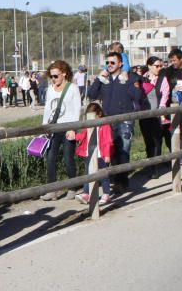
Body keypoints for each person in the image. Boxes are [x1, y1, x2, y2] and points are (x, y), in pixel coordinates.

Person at [87, 52, 142, 194]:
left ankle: (122, 182)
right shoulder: (105, 80)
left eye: (112, 62)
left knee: (123, 151)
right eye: (108, 63)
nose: (109, 65)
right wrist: (99, 79)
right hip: (107, 120)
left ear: (120, 64)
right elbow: (91, 95)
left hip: (125, 120)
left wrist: (127, 81)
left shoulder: (129, 78)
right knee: (109, 152)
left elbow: (137, 96)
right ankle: (111, 180)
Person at [40, 60, 82, 200]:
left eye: (56, 76)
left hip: (68, 127)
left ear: (64, 74)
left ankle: (72, 187)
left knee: (68, 158)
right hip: (53, 128)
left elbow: (77, 110)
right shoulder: (50, 89)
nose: (53, 79)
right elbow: (47, 108)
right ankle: (52, 190)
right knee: (50, 158)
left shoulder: (73, 88)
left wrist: (73, 129)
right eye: (51, 76)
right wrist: (45, 126)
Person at [75, 102, 114, 205]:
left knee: (103, 175)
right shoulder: (88, 125)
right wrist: (74, 136)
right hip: (90, 153)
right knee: (88, 173)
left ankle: (106, 194)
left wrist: (107, 155)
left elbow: (108, 141)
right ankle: (86, 194)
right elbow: (82, 136)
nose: (90, 119)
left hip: (101, 155)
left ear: (99, 114)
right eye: (88, 117)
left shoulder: (105, 126)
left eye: (93, 116)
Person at [139, 56, 172, 175]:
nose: (159, 68)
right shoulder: (141, 79)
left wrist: (161, 109)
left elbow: (165, 95)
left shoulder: (163, 79)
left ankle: (155, 167)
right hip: (144, 115)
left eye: (160, 66)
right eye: (156, 66)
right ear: (149, 66)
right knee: (148, 141)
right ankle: (150, 165)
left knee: (157, 140)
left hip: (158, 115)